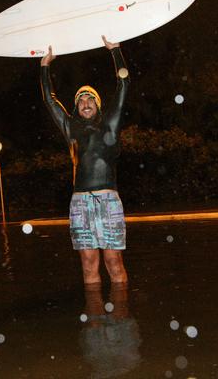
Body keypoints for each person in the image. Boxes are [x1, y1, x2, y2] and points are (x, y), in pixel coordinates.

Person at [40, 36, 130, 286]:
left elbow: (123, 84)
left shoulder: (110, 124)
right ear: (76, 107)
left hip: (109, 201)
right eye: (81, 99)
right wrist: (45, 66)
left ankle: (120, 319)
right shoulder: (70, 128)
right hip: (80, 203)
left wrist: (115, 51)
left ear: (98, 105)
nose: (85, 102)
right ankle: (94, 322)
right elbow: (49, 100)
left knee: (114, 262)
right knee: (89, 265)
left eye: (90, 99)